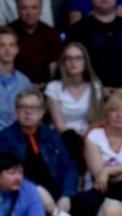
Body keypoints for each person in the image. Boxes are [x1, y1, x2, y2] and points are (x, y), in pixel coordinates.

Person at [0, 87, 78, 216]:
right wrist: (35, 189)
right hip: (22, 193)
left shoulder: (53, 136)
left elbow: (69, 167)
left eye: (33, 107)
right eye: (23, 107)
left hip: (57, 193)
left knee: (86, 206)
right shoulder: (3, 138)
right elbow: (5, 173)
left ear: (42, 112)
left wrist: (66, 195)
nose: (28, 112)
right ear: (15, 112)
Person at [44, 41, 105, 169]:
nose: (73, 62)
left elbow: (97, 120)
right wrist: (78, 135)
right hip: (62, 135)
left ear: (85, 62)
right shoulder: (54, 87)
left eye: (78, 58)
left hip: (88, 134)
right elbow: (59, 124)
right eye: (69, 58)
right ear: (63, 62)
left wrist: (87, 134)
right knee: (71, 141)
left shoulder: (95, 86)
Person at [10, 0, 63, 88]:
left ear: (41, 9)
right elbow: (2, 68)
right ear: (17, 10)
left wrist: (48, 85)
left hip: (45, 88)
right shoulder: (7, 33)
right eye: (24, 8)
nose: (29, 12)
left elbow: (55, 67)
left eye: (34, 7)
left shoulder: (51, 34)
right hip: (13, 88)